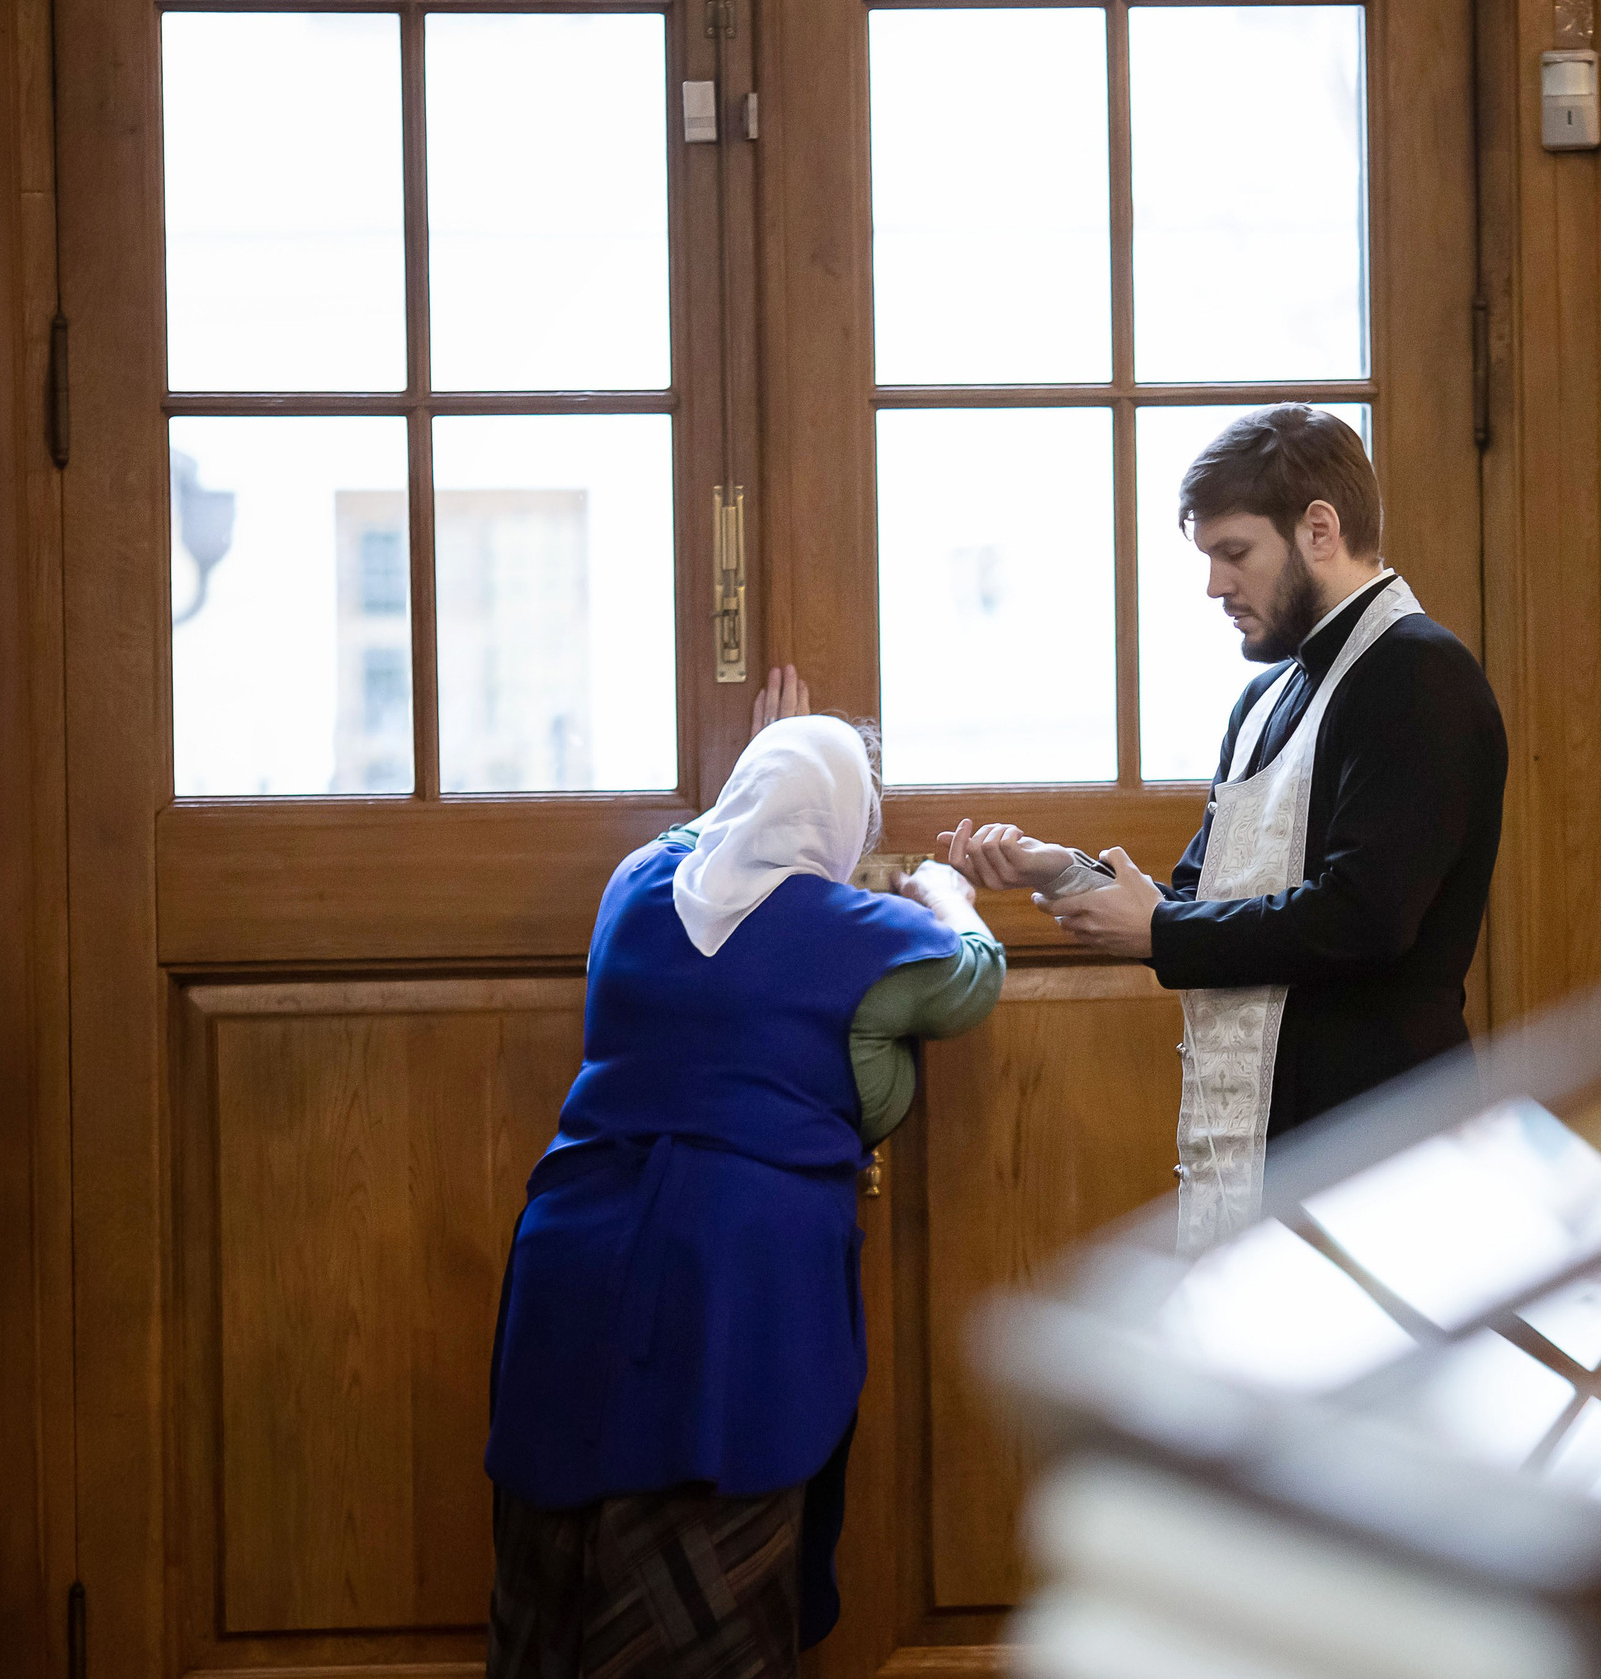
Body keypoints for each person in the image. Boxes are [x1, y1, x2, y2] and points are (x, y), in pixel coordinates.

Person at [483, 667, 1000, 1678]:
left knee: (555, 1564)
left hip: (571, 1253)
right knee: (700, 1579)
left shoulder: (633, 885)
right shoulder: (854, 930)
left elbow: (714, 846)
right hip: (736, 1275)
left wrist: (767, 767)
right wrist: (944, 885)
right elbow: (970, 975)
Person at [941, 405, 1508, 1252]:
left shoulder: (1419, 673)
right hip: (1264, 1147)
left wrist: (1163, 928)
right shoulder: (1265, 698)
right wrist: (1060, 871)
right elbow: (1202, 901)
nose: (1213, 585)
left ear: (1320, 529)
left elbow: (1368, 916)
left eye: (1233, 552)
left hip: (1375, 1145)